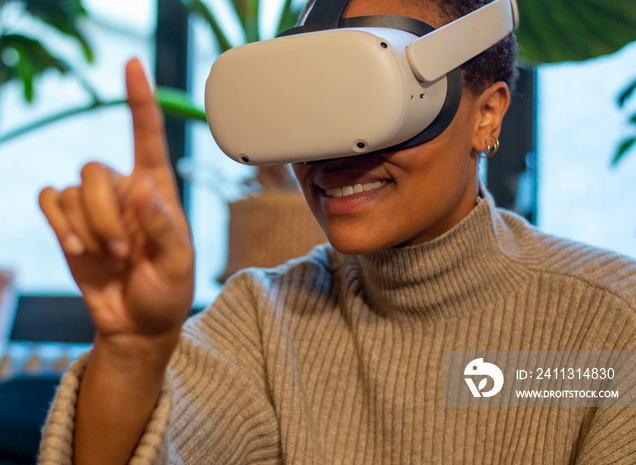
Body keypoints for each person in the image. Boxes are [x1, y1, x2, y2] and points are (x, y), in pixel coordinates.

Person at [37, 0, 636, 463]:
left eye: (378, 99)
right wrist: (133, 352)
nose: (336, 158)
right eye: (311, 109)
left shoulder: (610, 326)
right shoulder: (264, 321)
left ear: (486, 113)